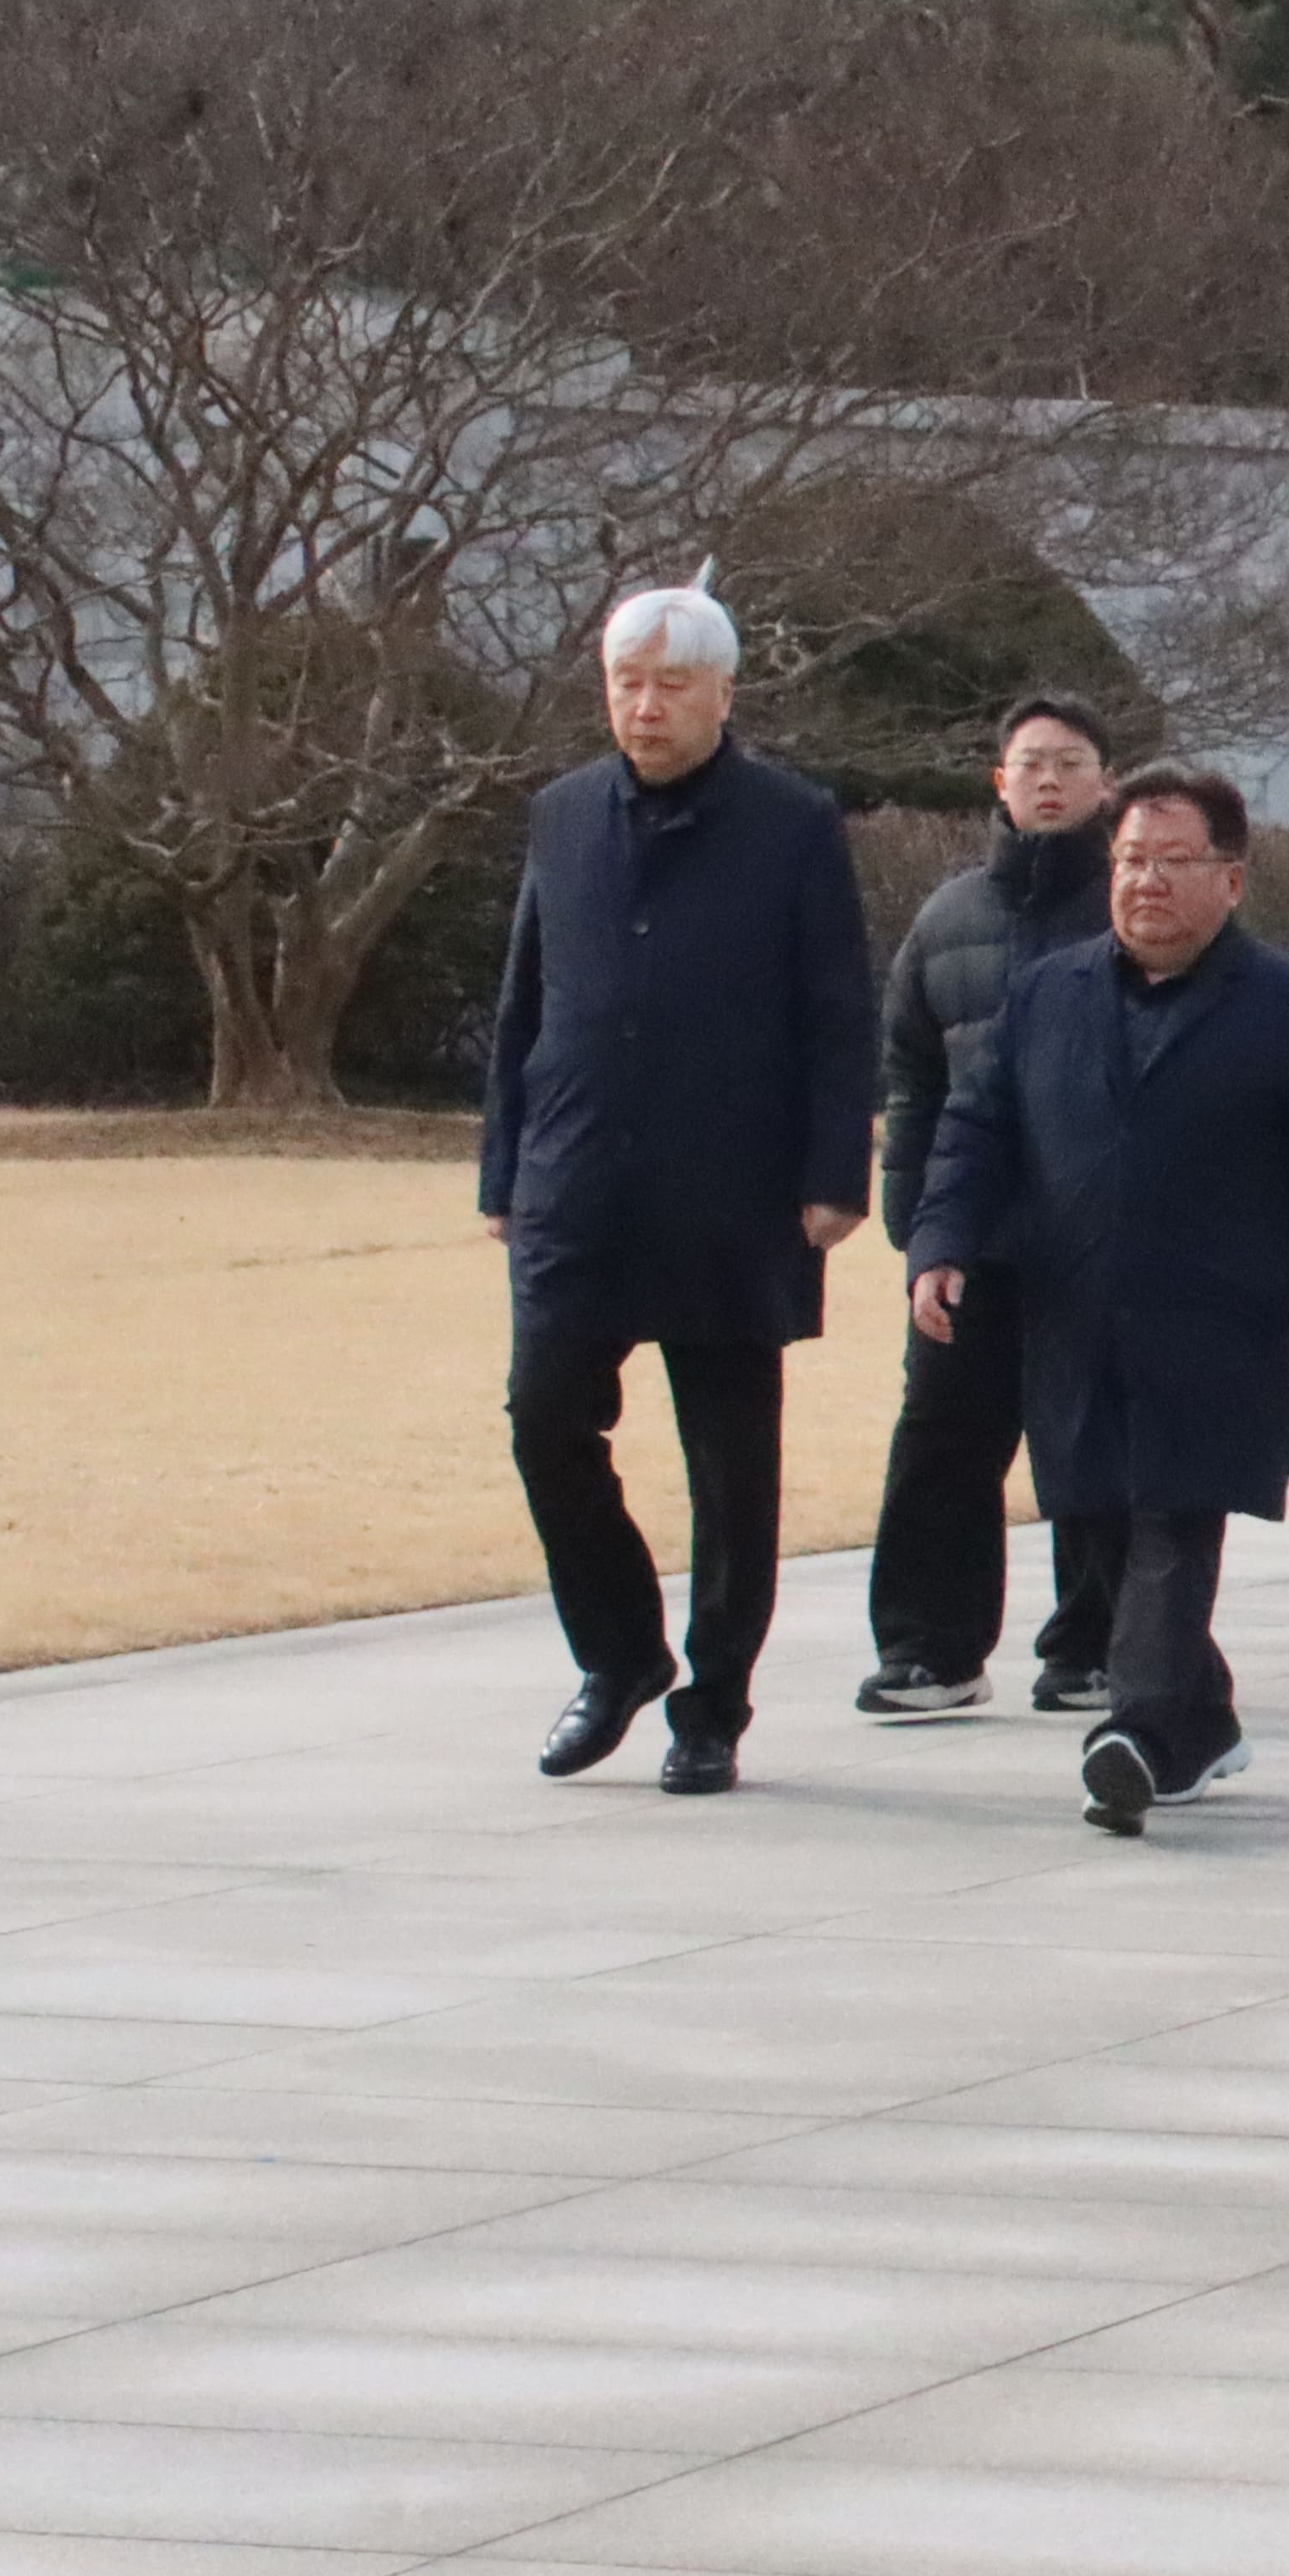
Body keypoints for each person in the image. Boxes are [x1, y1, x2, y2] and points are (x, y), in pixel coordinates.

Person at [906, 765, 1289, 1838]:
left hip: (1215, 1329)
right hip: (1073, 1319)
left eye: (1172, 860)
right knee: (1101, 1524)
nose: (1145, 880)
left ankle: (1137, 1735)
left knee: (1173, 1528)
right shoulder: (1049, 992)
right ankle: (1202, 1718)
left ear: (1230, 879)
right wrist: (942, 1240)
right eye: (1131, 859)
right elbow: (977, 1128)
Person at [481, 586, 877, 1797]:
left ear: (722, 694)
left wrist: (833, 1174)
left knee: (730, 1463)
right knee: (545, 1417)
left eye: (670, 686)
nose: (645, 708)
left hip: (733, 1186)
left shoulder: (793, 823)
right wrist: (504, 1168)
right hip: (578, 1176)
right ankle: (619, 1655)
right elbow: (526, 1002)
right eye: (626, 685)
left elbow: (836, 1008)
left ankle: (714, 1703)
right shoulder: (561, 814)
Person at [857, 695, 1128, 1720]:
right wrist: (917, 1218)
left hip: (1096, 1232)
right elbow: (912, 1074)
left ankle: (1094, 1645)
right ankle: (929, 1648)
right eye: (1030, 763)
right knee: (944, 1434)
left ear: (1107, 781)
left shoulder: (1130, 902)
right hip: (971, 1234)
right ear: (999, 781)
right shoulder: (949, 915)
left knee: (1094, 1436)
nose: (1048, 780)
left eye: (1071, 761)